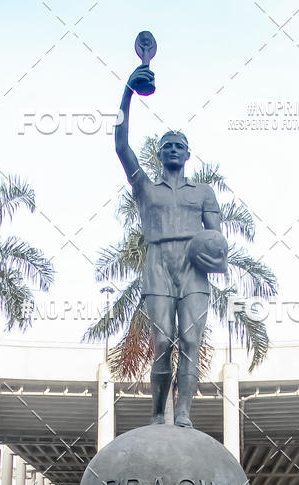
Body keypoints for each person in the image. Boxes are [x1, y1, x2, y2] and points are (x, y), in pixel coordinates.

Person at [115, 65, 226, 427]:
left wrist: (214, 253)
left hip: (192, 267)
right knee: (162, 341)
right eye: (168, 146)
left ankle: (183, 413)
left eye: (181, 146)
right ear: (160, 155)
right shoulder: (146, 187)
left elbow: (216, 237)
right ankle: (157, 413)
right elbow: (120, 144)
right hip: (158, 262)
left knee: (191, 341)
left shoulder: (204, 192)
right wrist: (128, 93)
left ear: (188, 155)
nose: (174, 150)